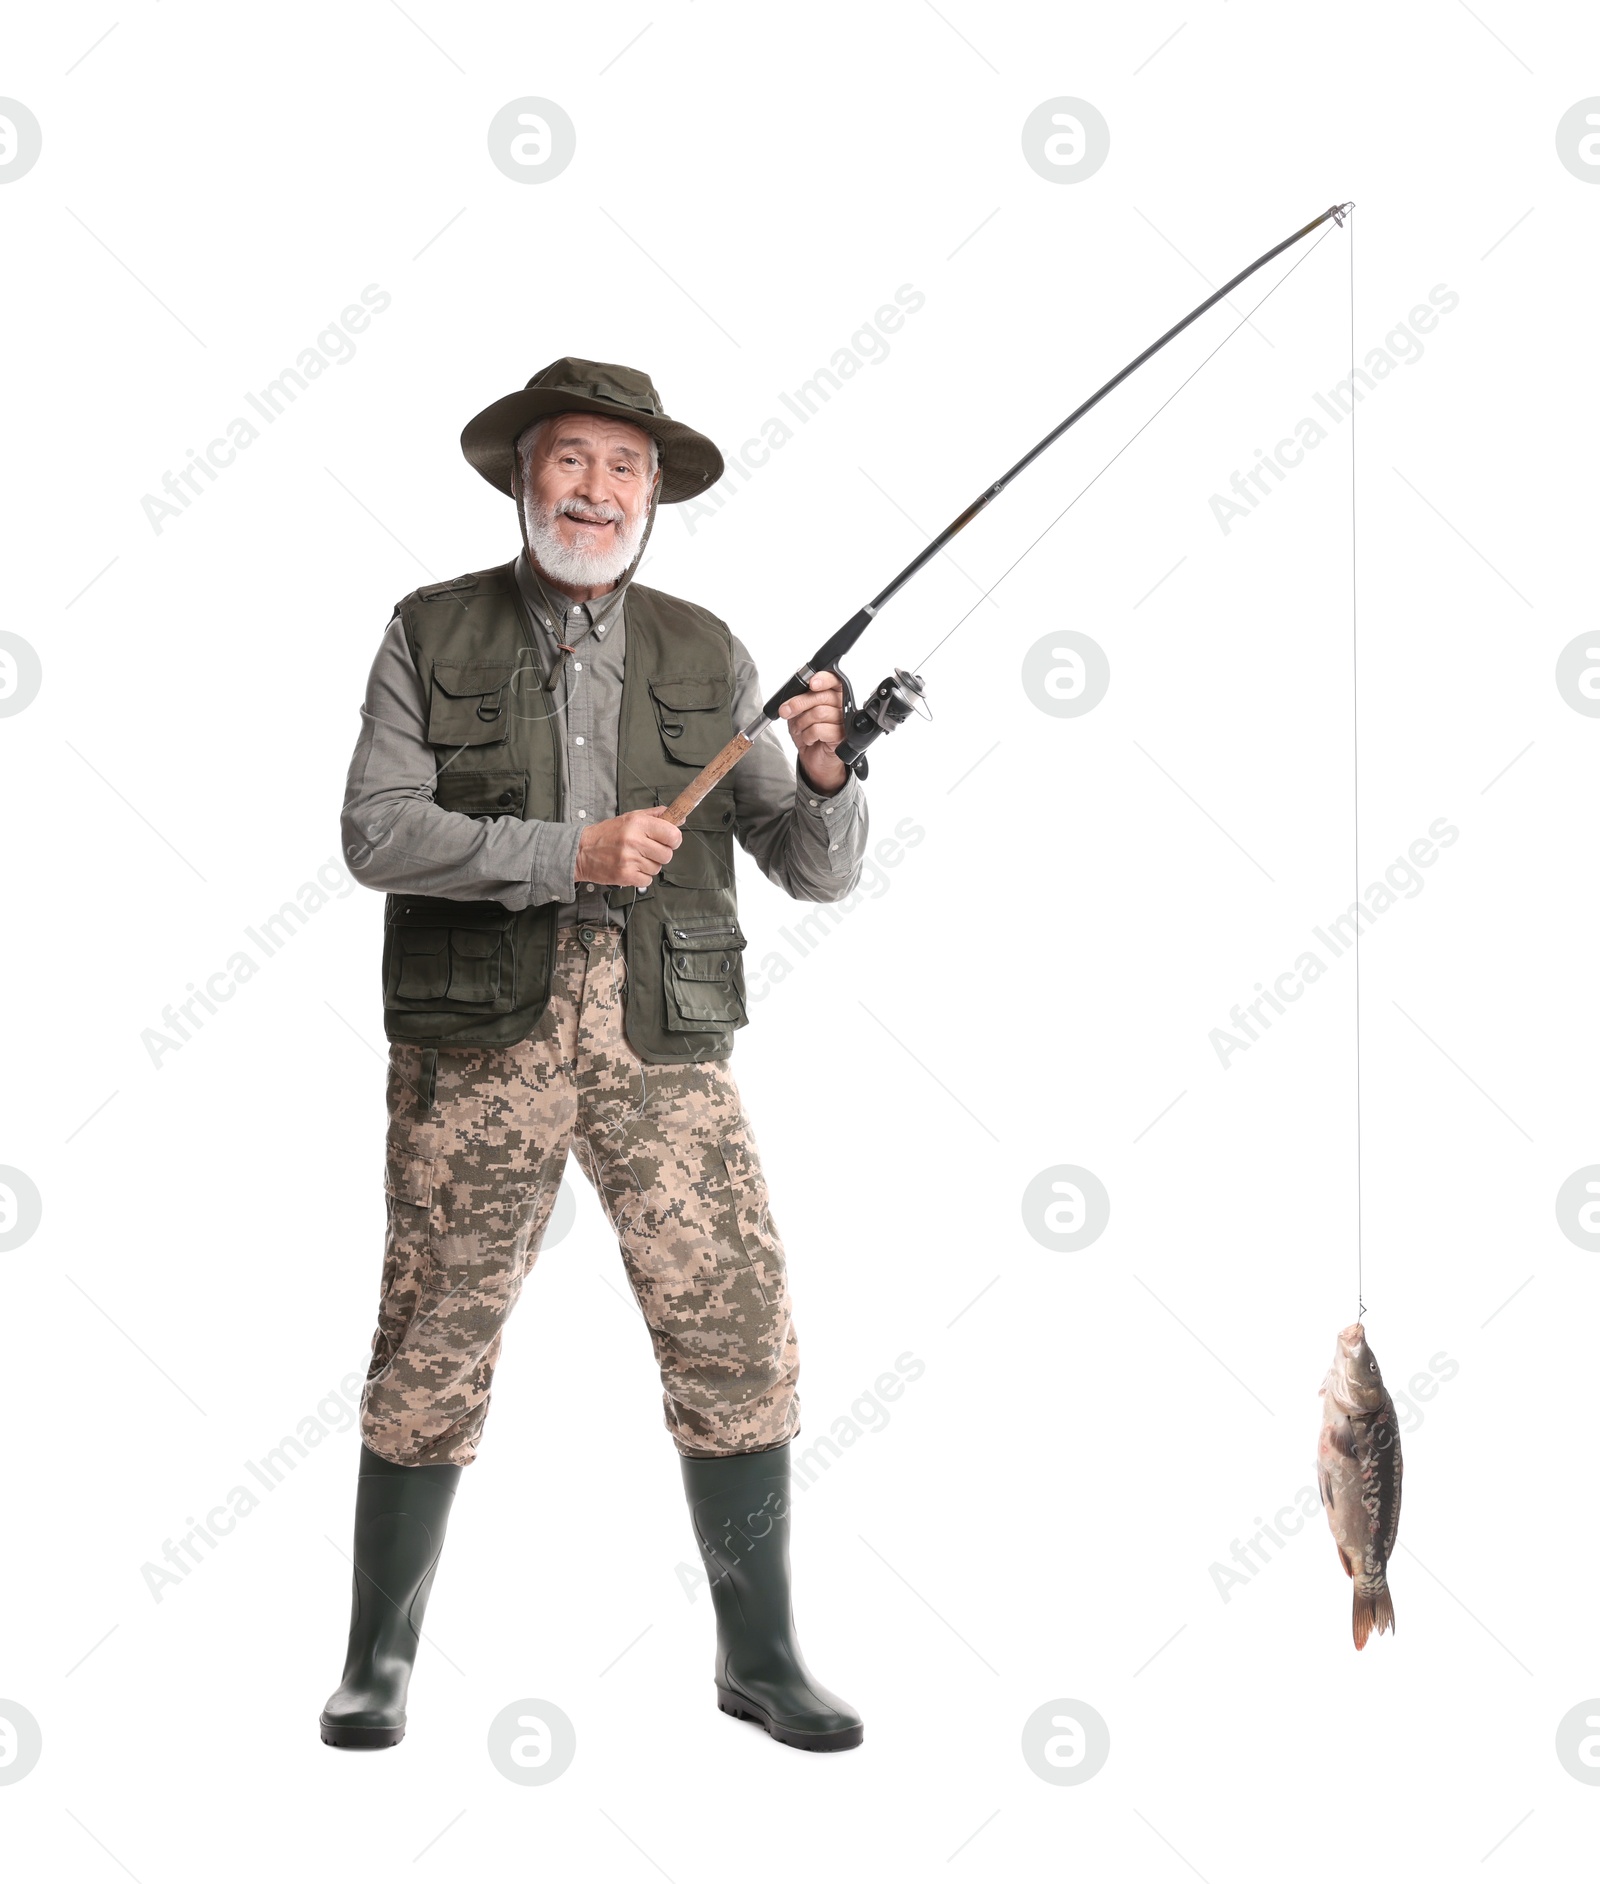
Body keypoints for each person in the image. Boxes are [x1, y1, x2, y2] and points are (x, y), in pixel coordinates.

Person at [319, 358, 867, 1753]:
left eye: (626, 468)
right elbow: (377, 829)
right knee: (431, 1338)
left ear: (656, 494)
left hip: (662, 1039)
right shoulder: (428, 632)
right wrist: (569, 852)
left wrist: (826, 774)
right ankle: (376, 1666)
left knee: (736, 1332)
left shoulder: (707, 651)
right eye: (572, 460)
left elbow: (814, 871)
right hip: (477, 1041)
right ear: (523, 476)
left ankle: (762, 1658)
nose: (598, 489)